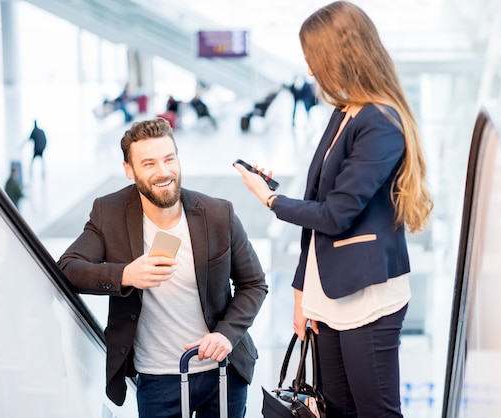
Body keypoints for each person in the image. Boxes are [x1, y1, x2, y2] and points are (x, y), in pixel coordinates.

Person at [234, 2, 433, 417]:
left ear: (342, 55)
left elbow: (336, 214)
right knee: (334, 409)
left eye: (314, 60)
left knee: (375, 411)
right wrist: (302, 293)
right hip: (328, 294)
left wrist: (270, 199)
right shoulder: (345, 112)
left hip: (367, 295)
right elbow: (322, 209)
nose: (310, 72)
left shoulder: (381, 121)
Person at [57, 118, 268, 417]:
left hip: (223, 371)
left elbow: (254, 284)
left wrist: (226, 334)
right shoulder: (109, 213)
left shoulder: (219, 214)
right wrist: (126, 274)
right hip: (157, 378)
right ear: (129, 170)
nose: (163, 172)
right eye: (149, 163)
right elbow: (67, 267)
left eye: (169, 159)